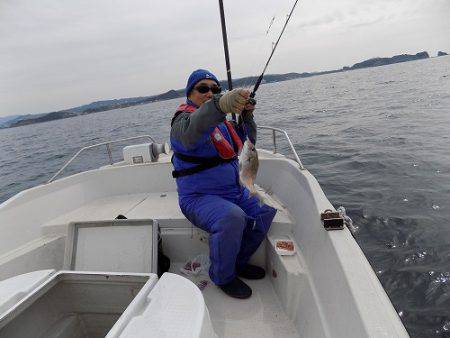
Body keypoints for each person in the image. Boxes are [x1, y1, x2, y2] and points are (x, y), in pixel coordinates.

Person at [170, 69, 276, 299]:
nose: (210, 93)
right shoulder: (182, 123)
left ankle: (237, 263)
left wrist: (247, 115)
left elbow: (247, 143)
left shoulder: (223, 124)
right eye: (203, 88)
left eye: (215, 89)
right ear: (190, 93)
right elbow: (193, 131)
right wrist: (219, 104)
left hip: (233, 191)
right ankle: (222, 276)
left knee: (263, 213)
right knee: (231, 217)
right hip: (198, 198)